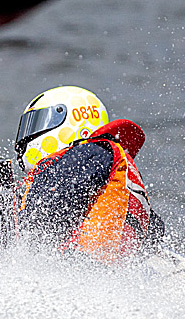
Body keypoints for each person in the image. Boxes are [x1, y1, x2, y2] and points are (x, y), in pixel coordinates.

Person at [13, 85, 164, 264]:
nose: (26, 137)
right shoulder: (115, 165)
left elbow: (39, 217)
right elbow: (155, 230)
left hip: (79, 267)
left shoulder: (90, 153)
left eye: (39, 123)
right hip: (103, 271)